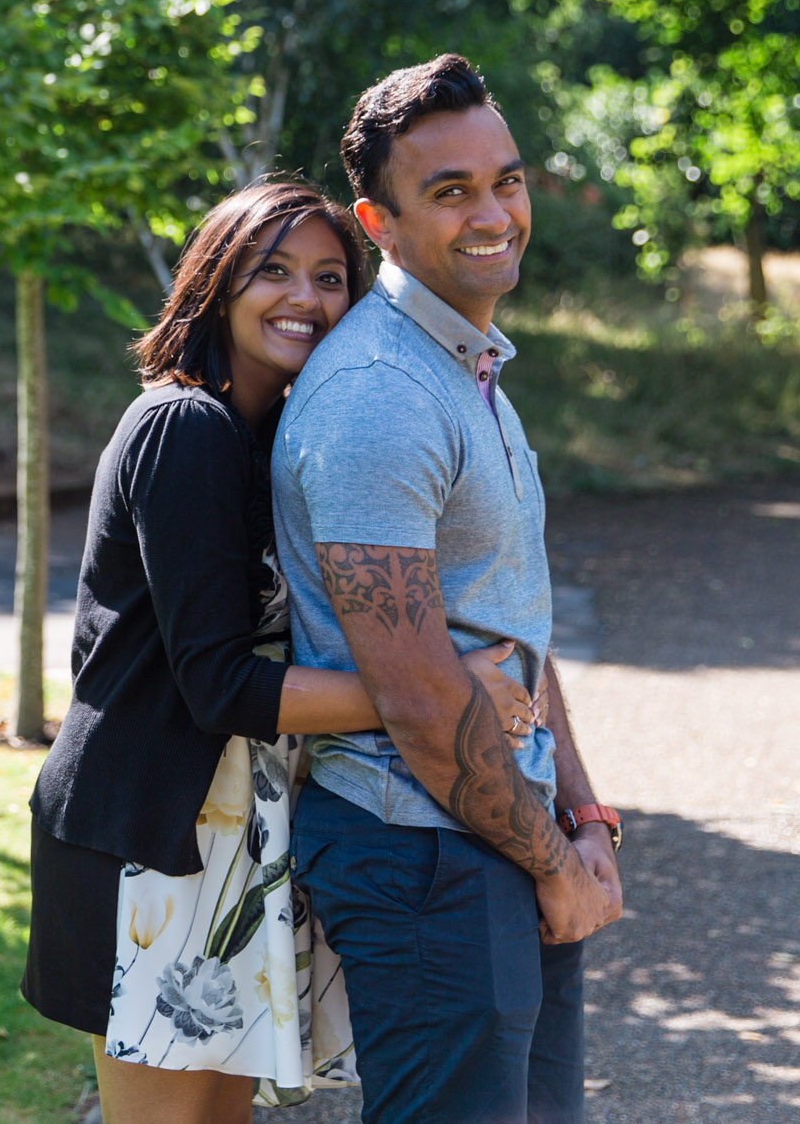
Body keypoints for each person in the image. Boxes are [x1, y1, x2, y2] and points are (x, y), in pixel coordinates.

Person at [23, 179, 538, 1124]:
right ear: (216, 284)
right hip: (147, 837)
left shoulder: (265, 438)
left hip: (231, 835)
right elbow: (220, 685)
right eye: (273, 271)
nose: (304, 296)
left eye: (330, 276)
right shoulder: (185, 427)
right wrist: (441, 689)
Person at [273, 55, 624, 1124]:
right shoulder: (377, 396)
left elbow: (509, 621)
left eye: (506, 180)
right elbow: (421, 697)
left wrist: (582, 811)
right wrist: (550, 859)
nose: (493, 212)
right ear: (377, 221)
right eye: (451, 190)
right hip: (421, 852)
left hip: (497, 830)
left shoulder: (466, 369)